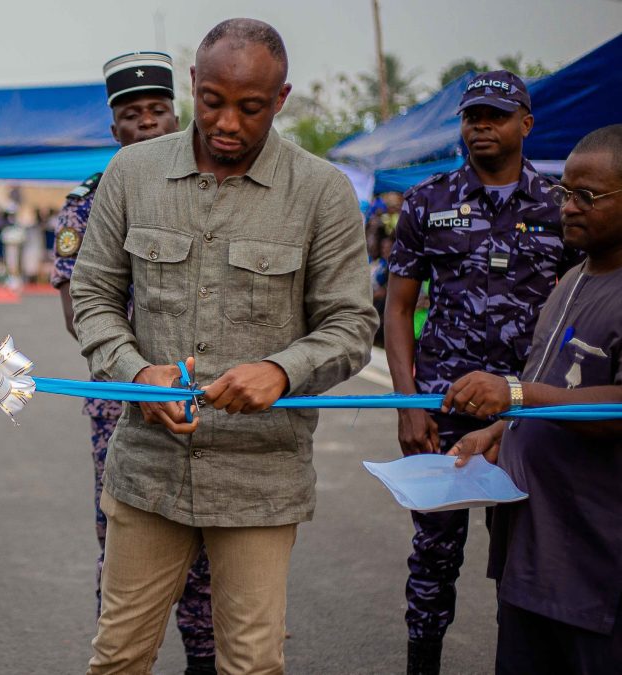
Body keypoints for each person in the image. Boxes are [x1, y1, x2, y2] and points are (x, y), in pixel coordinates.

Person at [71, 20, 377, 674]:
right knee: (118, 656)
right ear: (192, 86)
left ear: (282, 98)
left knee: (251, 663)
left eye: (251, 106)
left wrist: (281, 369)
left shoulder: (321, 193)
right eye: (212, 101)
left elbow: (352, 324)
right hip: (148, 470)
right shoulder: (133, 173)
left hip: (258, 479)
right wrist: (134, 371)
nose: (228, 122)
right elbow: (92, 297)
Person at [384, 70, 582, 674]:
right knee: (434, 553)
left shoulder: (559, 206)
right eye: (473, 117)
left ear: (526, 122)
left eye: (496, 116)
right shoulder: (427, 201)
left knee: (527, 550)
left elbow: (580, 305)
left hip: (526, 407)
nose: (482, 127)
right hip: (444, 407)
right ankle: (424, 663)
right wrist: (409, 403)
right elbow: (397, 307)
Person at [51, 51, 216, 675]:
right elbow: (78, 308)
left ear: (175, 115)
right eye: (131, 114)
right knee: (124, 543)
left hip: (207, 392)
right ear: (114, 126)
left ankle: (205, 659)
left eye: (156, 110)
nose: (146, 122)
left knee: (208, 541)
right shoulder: (91, 200)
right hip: (121, 400)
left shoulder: (211, 190)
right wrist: (139, 367)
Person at [446, 124, 622, 675]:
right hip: (532, 556)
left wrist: (515, 393)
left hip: (595, 568)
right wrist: (499, 433)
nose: (566, 207)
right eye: (565, 190)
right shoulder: (570, 281)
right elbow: (550, 390)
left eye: (586, 197)